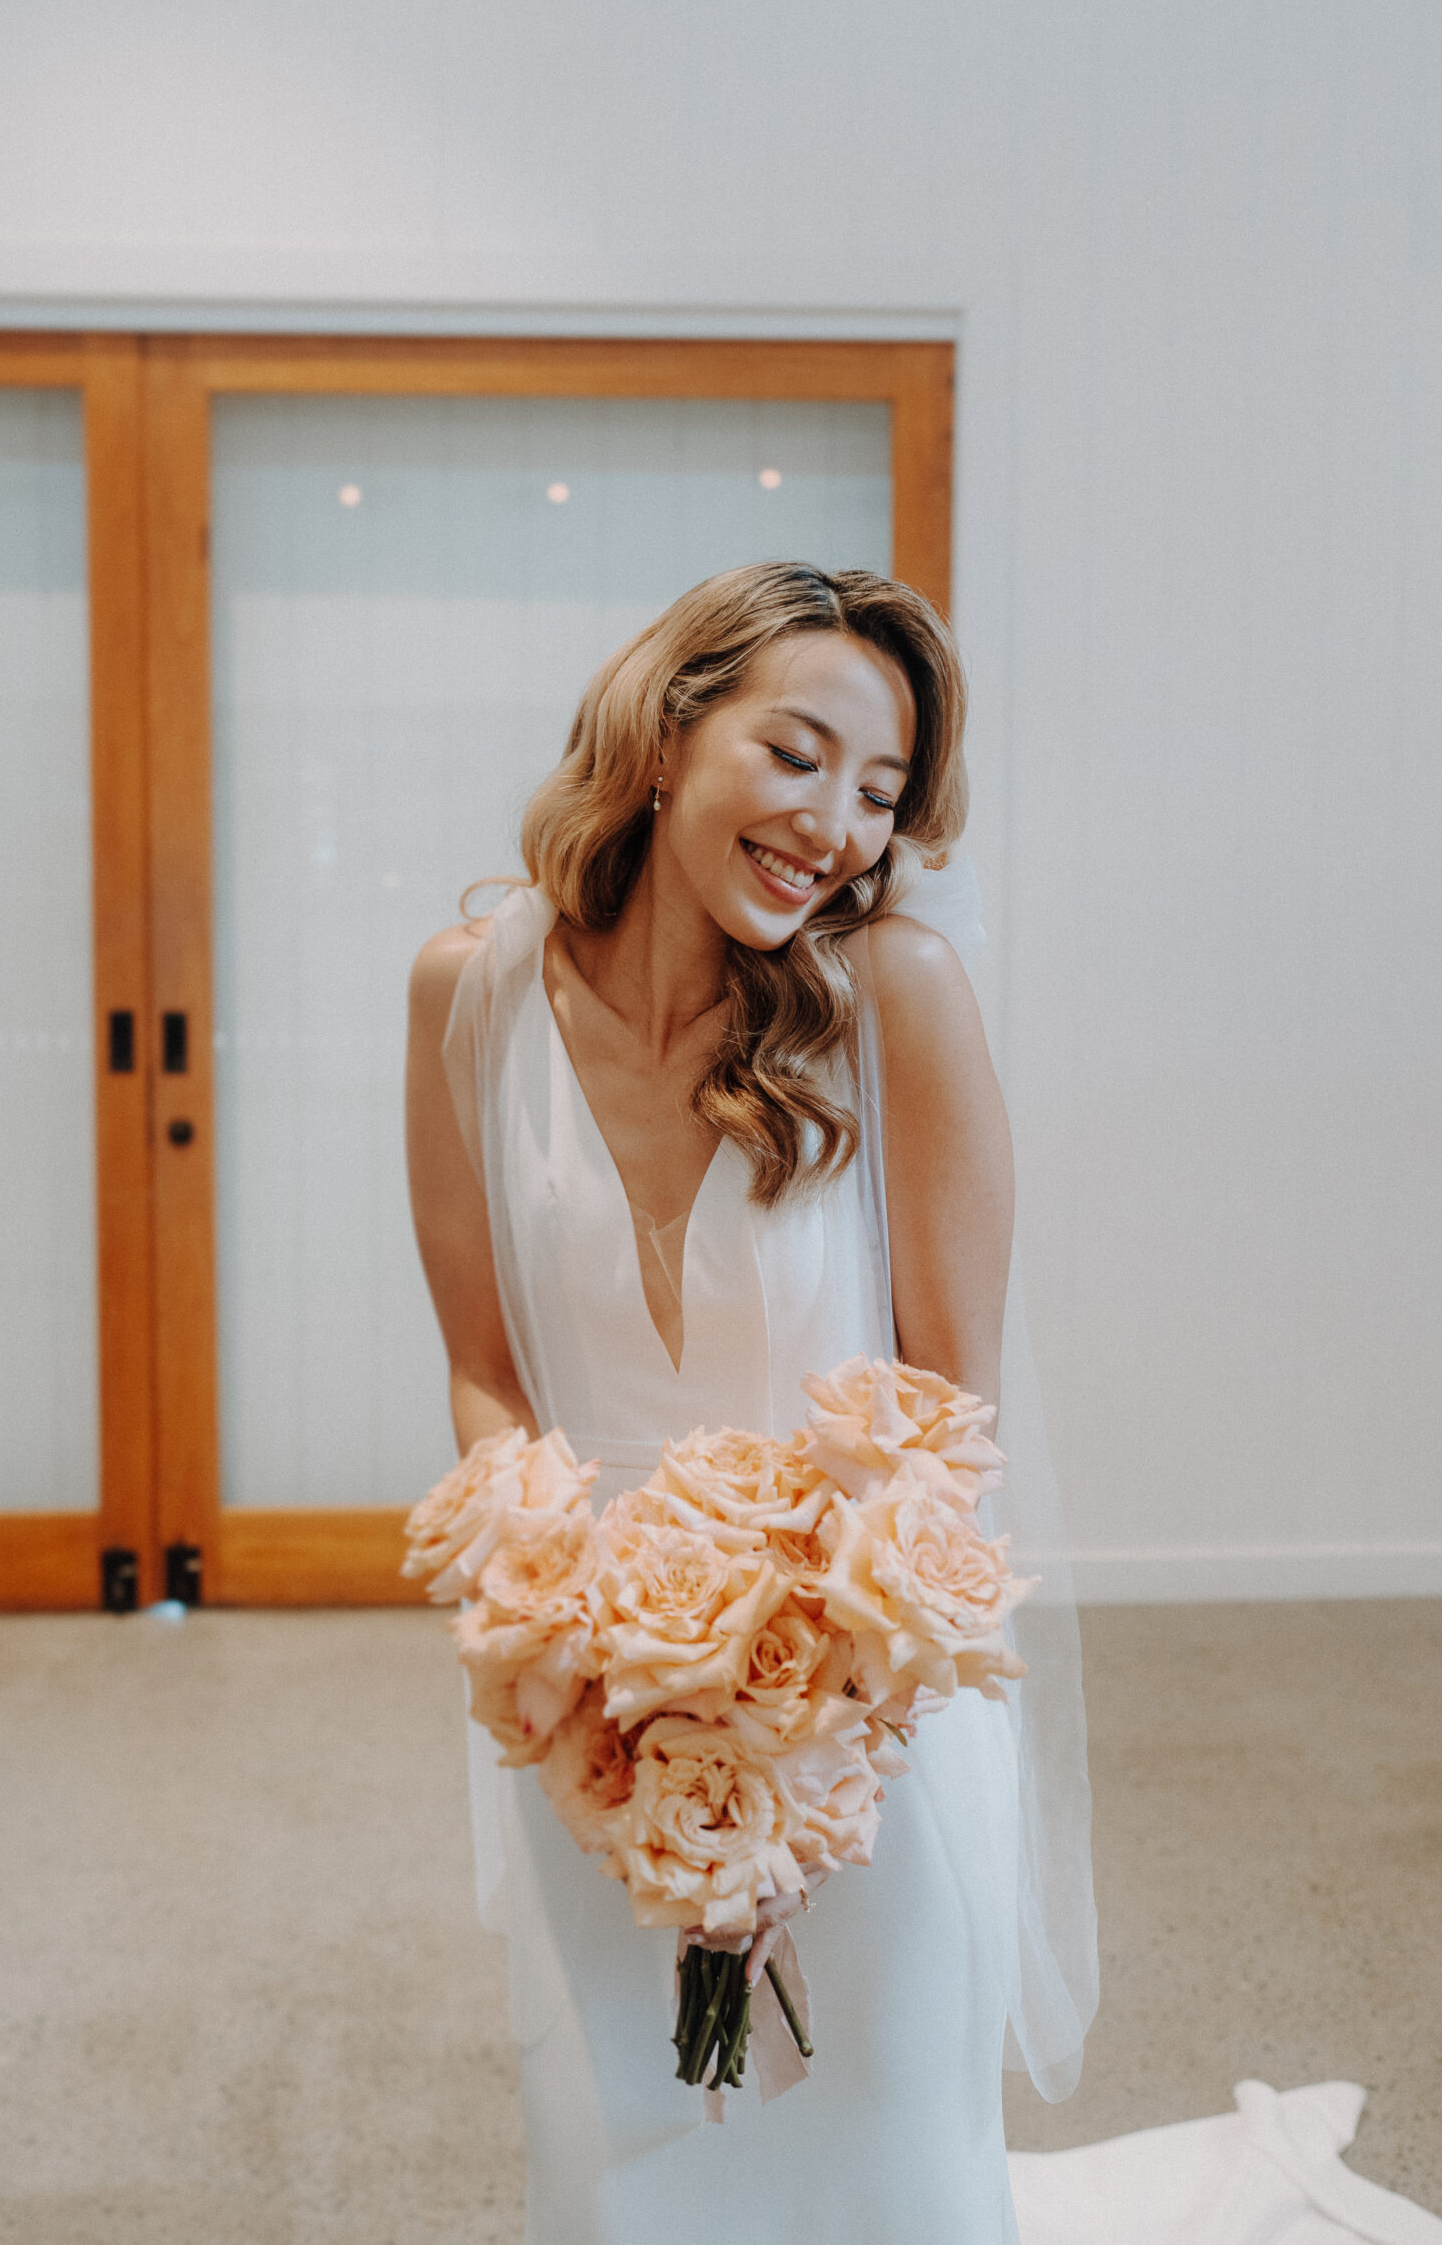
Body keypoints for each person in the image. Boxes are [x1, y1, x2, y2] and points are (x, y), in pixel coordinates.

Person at [405, 562, 1094, 2245]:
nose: (838, 828)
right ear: (662, 736)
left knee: (887, 2160)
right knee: (626, 2152)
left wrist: (794, 1755)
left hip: (873, 1696)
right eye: (797, 755)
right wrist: (585, 1665)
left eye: (879, 792)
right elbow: (487, 1370)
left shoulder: (895, 998)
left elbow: (951, 1420)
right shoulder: (469, 992)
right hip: (597, 1700)